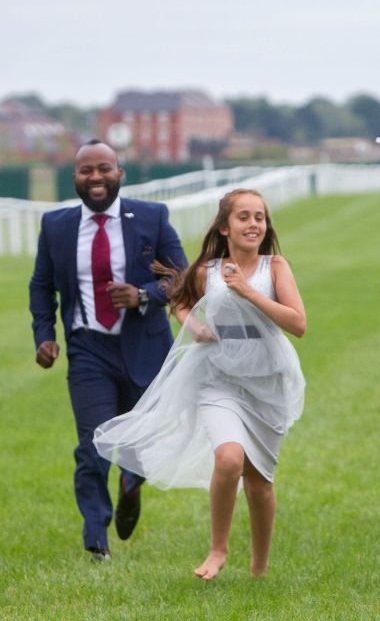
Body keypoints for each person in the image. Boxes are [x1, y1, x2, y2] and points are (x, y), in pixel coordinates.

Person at [93, 188, 307, 580]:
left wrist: (246, 291)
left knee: (260, 484)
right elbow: (179, 300)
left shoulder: (275, 266)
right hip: (217, 378)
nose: (253, 224)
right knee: (229, 457)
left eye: (259, 217)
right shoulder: (207, 270)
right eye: (243, 217)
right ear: (225, 226)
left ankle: (259, 568)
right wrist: (193, 325)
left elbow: (298, 323)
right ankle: (218, 549)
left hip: (267, 380)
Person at [28, 140, 187, 561]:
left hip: (145, 346)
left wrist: (143, 295)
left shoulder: (152, 218)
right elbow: (41, 287)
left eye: (104, 169)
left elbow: (181, 276)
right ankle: (96, 537)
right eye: (85, 171)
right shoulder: (56, 225)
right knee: (92, 443)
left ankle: (131, 483)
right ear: (75, 177)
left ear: (120, 174)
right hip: (88, 349)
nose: (95, 177)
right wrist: (45, 335)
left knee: (140, 439)